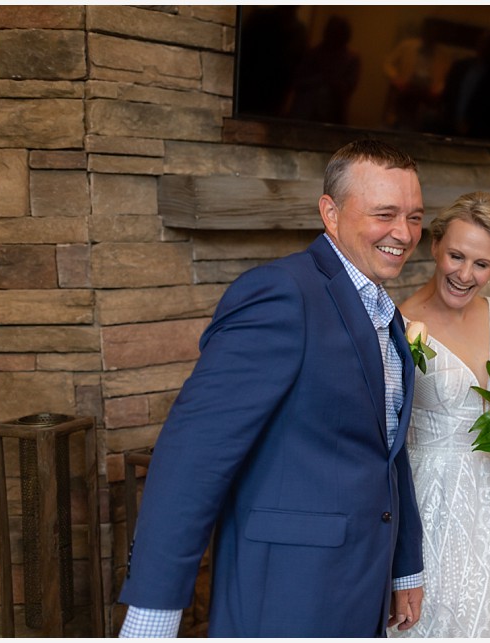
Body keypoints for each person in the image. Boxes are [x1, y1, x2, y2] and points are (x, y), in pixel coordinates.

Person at [118, 139, 426, 637]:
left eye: (414, 217)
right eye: (385, 213)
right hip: (287, 593)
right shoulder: (282, 294)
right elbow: (194, 454)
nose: (404, 233)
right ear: (330, 212)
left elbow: (386, 450)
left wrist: (405, 562)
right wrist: (153, 610)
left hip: (362, 585)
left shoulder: (380, 308)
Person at [391, 192, 490, 637]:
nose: (464, 274)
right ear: (435, 245)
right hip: (437, 503)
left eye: (481, 264)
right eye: (456, 256)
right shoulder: (398, 325)